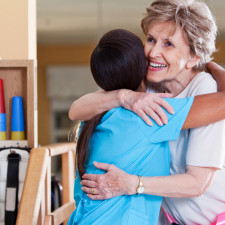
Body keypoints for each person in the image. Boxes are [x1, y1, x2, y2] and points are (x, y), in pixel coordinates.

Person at [69, 1, 225, 224]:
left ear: (193, 57)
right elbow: (76, 110)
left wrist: (132, 184)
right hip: (169, 217)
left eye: (168, 44)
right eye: (151, 39)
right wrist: (124, 96)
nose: (153, 52)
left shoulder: (205, 90)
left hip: (208, 218)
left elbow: (197, 183)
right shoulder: (147, 83)